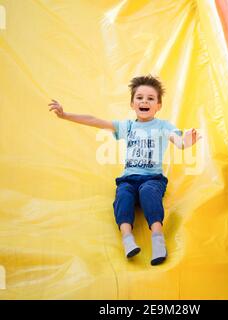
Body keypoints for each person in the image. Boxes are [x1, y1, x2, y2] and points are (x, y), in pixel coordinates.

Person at [48, 75, 201, 265]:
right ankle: (128, 239)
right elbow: (95, 120)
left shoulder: (163, 126)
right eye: (139, 97)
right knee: (123, 197)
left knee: (148, 193)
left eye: (151, 98)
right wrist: (65, 115)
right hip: (128, 179)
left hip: (152, 178)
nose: (144, 101)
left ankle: (158, 239)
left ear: (158, 106)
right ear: (132, 103)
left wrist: (186, 142)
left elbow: (178, 141)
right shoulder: (127, 126)